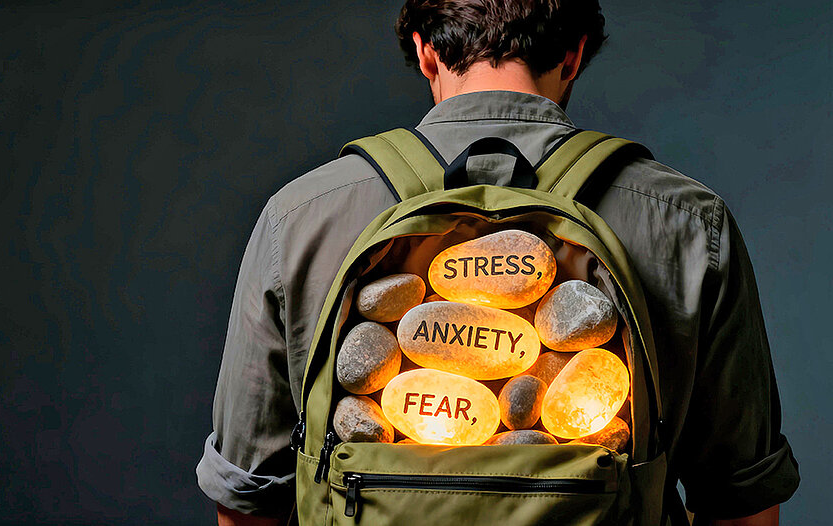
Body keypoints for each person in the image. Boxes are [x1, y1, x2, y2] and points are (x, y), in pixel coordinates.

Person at [196, 1, 800, 525]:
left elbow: (245, 498)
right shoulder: (689, 220)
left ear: (425, 52)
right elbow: (742, 499)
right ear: (574, 53)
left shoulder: (301, 215)